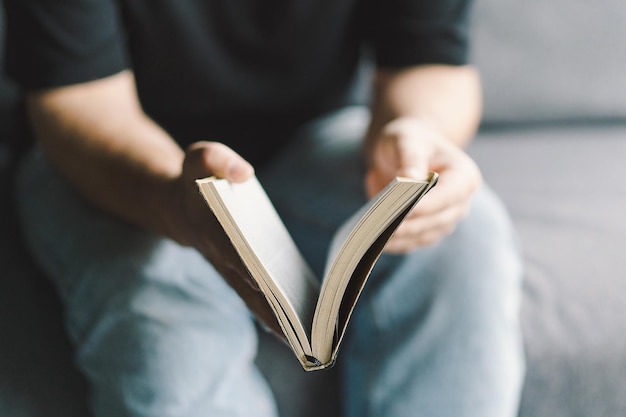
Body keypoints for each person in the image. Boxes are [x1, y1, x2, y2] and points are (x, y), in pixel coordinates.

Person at [4, 1, 525, 416]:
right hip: (107, 154)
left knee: (466, 235)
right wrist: (173, 203)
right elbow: (79, 101)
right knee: (160, 295)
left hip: (310, 136)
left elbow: (431, 62)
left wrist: (417, 133)